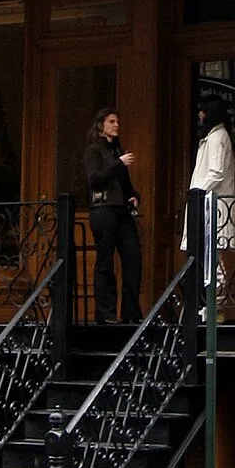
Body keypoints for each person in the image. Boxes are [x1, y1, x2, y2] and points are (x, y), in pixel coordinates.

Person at [83, 107, 142, 326]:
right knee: (105, 261)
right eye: (111, 121)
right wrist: (118, 164)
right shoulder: (94, 151)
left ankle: (131, 312)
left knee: (133, 258)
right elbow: (95, 179)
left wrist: (134, 196)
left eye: (117, 121)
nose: (116, 125)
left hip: (121, 211)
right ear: (100, 126)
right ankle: (105, 313)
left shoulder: (118, 152)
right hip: (103, 211)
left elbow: (126, 187)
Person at [183, 95, 235, 298]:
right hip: (207, 205)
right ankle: (209, 307)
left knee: (213, 260)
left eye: (202, 110)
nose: (199, 115)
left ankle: (216, 309)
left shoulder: (217, 137)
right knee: (209, 259)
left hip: (212, 207)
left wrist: (196, 192)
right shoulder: (214, 137)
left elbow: (216, 172)